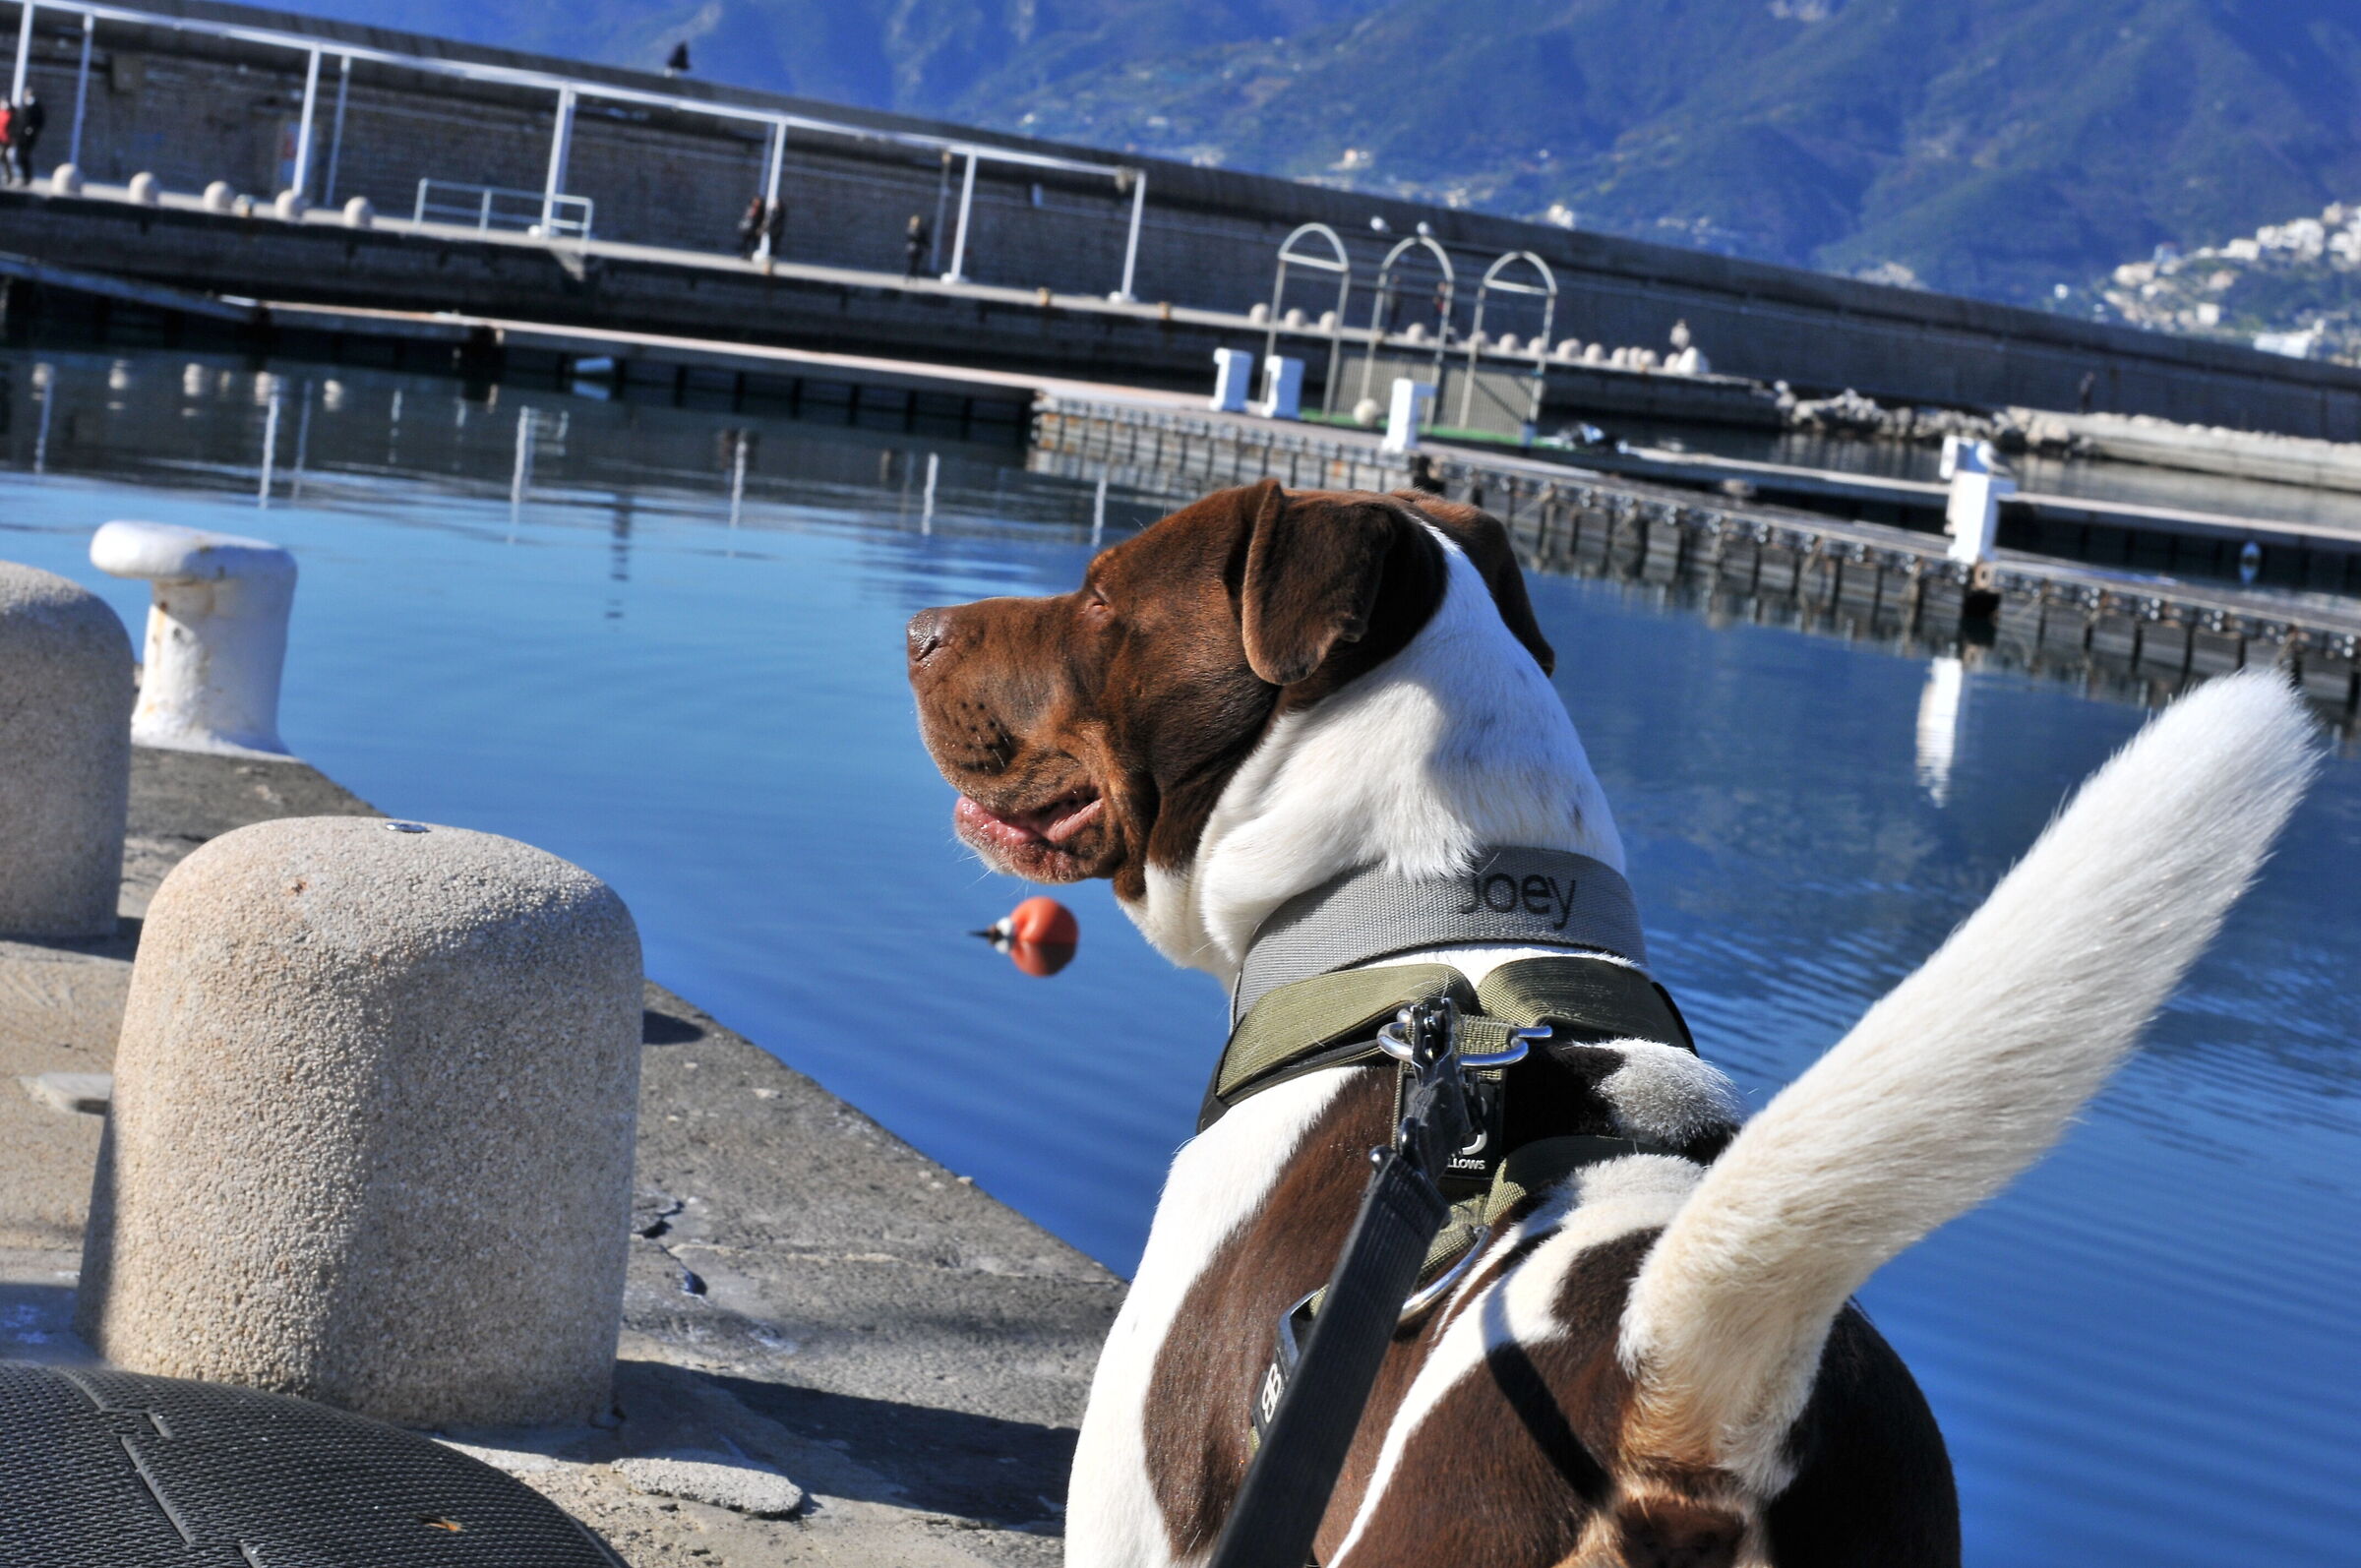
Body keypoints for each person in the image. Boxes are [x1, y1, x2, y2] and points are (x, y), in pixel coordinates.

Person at [12, 92, 40, 185]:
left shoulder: (36, 107)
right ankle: (24, 177)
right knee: (21, 157)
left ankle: (27, 178)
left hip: (28, 138)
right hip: (21, 137)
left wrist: (32, 129)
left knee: (24, 157)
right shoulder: (24, 106)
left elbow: (39, 121)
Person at [735, 194, 764, 259]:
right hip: (748, 228)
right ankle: (744, 254)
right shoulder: (750, 207)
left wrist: (760, 228)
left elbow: (761, 220)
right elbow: (746, 217)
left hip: (755, 228)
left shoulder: (761, 210)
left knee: (753, 243)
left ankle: (750, 255)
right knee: (745, 242)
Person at [904, 212, 929, 278]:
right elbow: (923, 239)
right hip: (916, 248)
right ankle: (911, 274)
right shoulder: (918, 230)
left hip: (911, 248)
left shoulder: (911, 229)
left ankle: (910, 274)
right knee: (914, 263)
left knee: (913, 262)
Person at [0, 98, 16, 189]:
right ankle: (9, 175)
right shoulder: (1, 113)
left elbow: (12, 128)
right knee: (4, 158)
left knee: (2, 156)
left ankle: (9, 176)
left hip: (6, 139)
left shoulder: (11, 114)